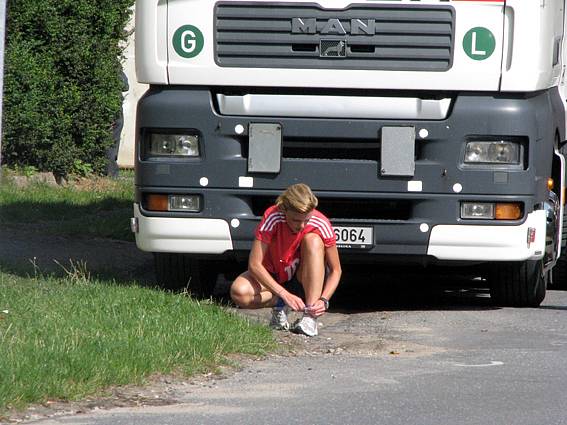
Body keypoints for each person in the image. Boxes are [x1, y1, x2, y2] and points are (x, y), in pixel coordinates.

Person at [230, 183, 342, 337]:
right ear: (284, 210)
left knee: (313, 240)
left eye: (307, 220)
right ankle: (281, 305)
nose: (302, 226)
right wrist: (284, 295)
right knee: (239, 292)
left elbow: (336, 270)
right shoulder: (273, 216)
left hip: (301, 277)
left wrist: (324, 300)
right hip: (273, 275)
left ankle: (310, 316)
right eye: (296, 220)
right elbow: (255, 264)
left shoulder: (321, 223)